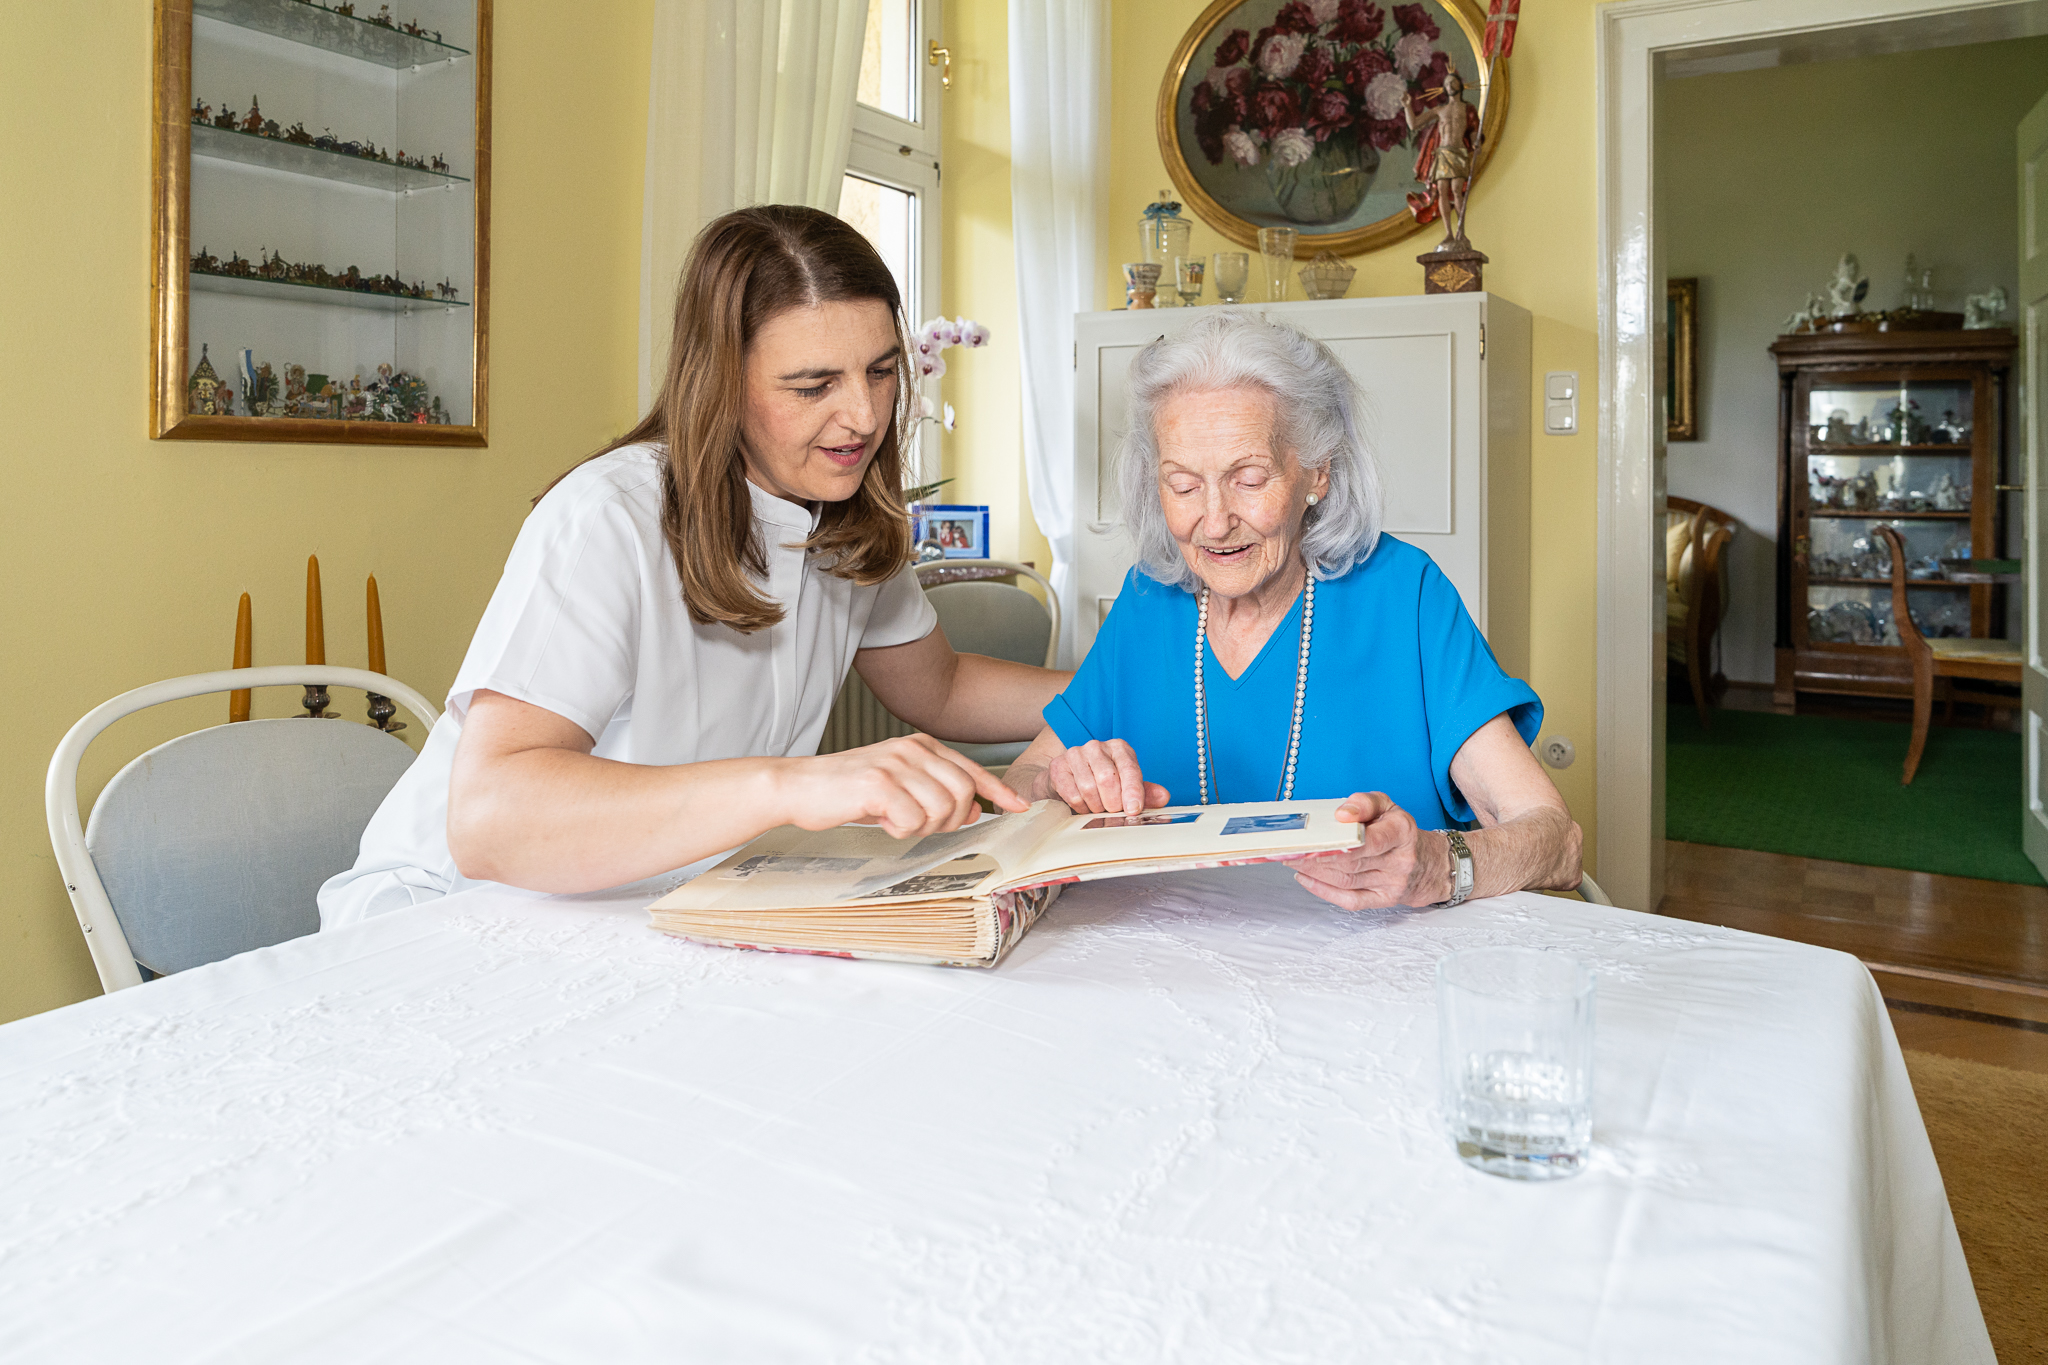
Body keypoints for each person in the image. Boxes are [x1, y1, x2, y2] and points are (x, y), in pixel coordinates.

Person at [320, 206, 1064, 927]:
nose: (865, 416)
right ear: (721, 382)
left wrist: (1142, 680)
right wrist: (790, 786)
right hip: (458, 916)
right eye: (813, 386)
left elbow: (942, 685)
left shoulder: (842, 508)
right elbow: (489, 819)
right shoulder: (610, 515)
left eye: (880, 370)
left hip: (664, 909)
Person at [1003, 312, 1582, 912]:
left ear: (1318, 472)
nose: (1216, 519)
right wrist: (1057, 783)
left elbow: (1557, 841)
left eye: (1249, 479)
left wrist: (1440, 865)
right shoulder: (1149, 599)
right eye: (1181, 485)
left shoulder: (1403, 596)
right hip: (1179, 974)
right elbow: (1021, 784)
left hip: (1375, 978)